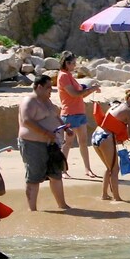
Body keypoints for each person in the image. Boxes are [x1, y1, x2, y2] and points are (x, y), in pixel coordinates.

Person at [18, 75, 72, 210]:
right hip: (33, 144)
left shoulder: (47, 101)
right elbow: (26, 121)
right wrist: (45, 133)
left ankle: (62, 205)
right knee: (34, 177)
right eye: (48, 87)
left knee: (56, 174)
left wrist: (65, 127)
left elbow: (56, 116)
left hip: (52, 144)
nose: (51, 90)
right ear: (39, 87)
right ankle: (33, 209)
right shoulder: (29, 101)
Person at [92, 90, 130, 201]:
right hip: (106, 137)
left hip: (96, 134)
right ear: (129, 99)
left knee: (109, 168)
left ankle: (104, 195)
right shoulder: (129, 111)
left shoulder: (116, 105)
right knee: (115, 169)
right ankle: (117, 198)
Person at [57, 51, 101, 179]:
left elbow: (80, 95)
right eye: (74, 63)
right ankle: (62, 170)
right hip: (69, 113)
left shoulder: (69, 75)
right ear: (67, 63)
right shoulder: (63, 76)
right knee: (68, 143)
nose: (75, 65)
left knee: (83, 141)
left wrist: (90, 89)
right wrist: (91, 89)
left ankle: (88, 169)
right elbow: (74, 94)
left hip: (79, 112)